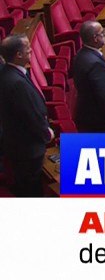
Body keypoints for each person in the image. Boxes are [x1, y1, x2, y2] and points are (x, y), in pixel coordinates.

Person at [0, 34, 53, 196]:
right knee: (32, 192)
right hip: (27, 151)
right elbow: (31, 116)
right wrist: (47, 133)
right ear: (18, 55)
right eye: (27, 47)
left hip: (19, 147)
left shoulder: (9, 73)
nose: (31, 50)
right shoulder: (16, 83)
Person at [71, 21, 105, 132]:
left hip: (85, 114)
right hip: (96, 121)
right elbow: (103, 96)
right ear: (95, 38)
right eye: (102, 33)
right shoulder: (95, 64)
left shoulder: (80, 55)